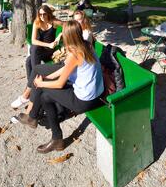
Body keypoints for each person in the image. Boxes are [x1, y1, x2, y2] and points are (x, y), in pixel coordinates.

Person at [17, 20, 104, 153]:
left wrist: (41, 83)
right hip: (96, 94)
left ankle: (33, 118)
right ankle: (55, 138)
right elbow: (65, 69)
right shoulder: (86, 45)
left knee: (42, 89)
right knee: (46, 97)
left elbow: (60, 83)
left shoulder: (76, 54)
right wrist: (48, 77)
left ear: (68, 36)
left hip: (84, 101)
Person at [10, 5, 63, 109]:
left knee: (31, 57)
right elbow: (33, 40)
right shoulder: (37, 22)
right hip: (41, 49)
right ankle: (33, 88)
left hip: (49, 52)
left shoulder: (53, 21)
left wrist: (59, 36)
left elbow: (67, 25)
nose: (42, 16)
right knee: (30, 58)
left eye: (44, 14)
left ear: (48, 13)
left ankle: (27, 94)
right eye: (40, 14)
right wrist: (49, 44)